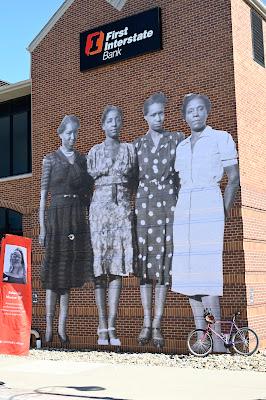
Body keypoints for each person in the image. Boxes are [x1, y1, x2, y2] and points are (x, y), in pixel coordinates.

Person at [171, 93, 240, 352]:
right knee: (189, 276)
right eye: (190, 111)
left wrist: (221, 212)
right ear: (185, 116)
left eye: (200, 109)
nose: (196, 114)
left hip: (208, 202)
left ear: (207, 112)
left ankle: (219, 340)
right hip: (185, 209)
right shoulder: (181, 146)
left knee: (207, 274)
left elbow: (233, 178)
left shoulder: (221, 138)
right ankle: (202, 337)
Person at [134, 92, 184, 349]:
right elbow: (131, 178)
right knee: (145, 269)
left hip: (168, 206)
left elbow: (181, 175)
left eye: (161, 113)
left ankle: (157, 325)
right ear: (145, 117)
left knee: (163, 267)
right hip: (144, 208)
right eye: (153, 114)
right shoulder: (137, 145)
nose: (158, 118)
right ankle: (145, 322)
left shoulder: (176, 139)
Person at [39, 115, 93, 345]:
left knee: (68, 275)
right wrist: (42, 228)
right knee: (53, 276)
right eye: (68, 133)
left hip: (76, 218)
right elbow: (43, 197)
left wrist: (89, 223)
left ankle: (62, 328)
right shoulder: (49, 160)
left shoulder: (82, 160)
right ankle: (49, 327)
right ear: (60, 134)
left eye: (75, 133)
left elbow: (88, 195)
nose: (72, 137)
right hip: (57, 217)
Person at [87, 105, 135, 346]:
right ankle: (101, 325)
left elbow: (135, 180)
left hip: (122, 211)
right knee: (100, 270)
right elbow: (88, 181)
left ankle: (112, 326)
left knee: (116, 269)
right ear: (103, 125)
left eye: (118, 120)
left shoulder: (129, 149)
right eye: (109, 120)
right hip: (99, 212)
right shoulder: (94, 151)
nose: (114, 124)